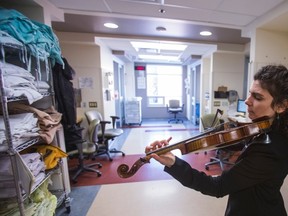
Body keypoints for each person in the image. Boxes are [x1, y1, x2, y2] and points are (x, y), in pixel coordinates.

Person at [145, 64, 288, 216]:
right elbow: (243, 144)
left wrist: (174, 163)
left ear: (281, 106)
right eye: (249, 94)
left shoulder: (272, 149)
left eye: (257, 97)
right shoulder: (265, 129)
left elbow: (217, 187)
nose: (247, 101)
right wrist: (217, 136)